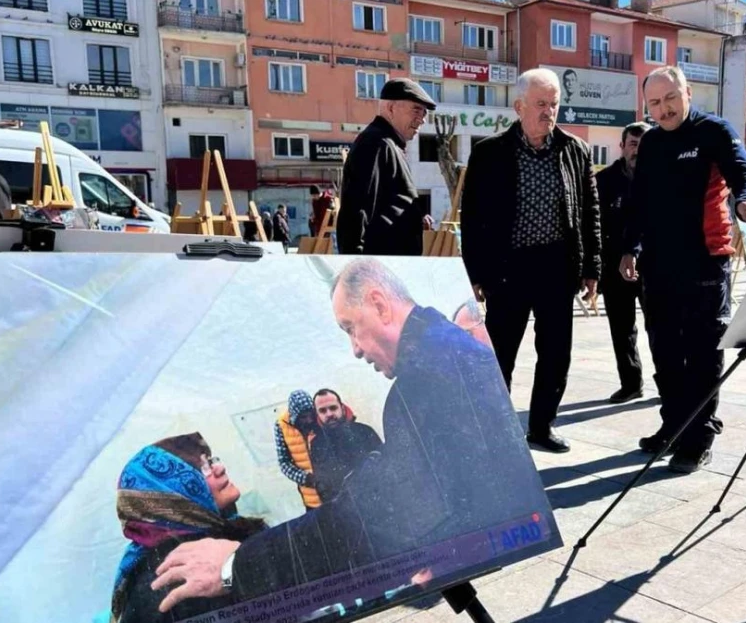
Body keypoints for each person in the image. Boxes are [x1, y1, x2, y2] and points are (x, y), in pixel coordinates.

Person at [151, 258, 548, 610]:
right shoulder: (448, 351)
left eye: (350, 329)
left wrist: (236, 567)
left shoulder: (422, 382)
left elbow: (373, 516)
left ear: (378, 304)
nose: (355, 349)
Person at [620, 66, 746, 473]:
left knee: (702, 355)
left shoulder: (713, 131)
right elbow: (639, 201)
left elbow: (743, 172)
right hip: (659, 267)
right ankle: (673, 426)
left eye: (670, 99)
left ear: (688, 92)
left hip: (705, 263)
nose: (663, 110)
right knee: (665, 354)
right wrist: (630, 247)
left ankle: (699, 437)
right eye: (654, 103)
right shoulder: (649, 144)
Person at [461, 68, 601, 454]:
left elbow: (590, 212)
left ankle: (541, 426)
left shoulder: (575, 150)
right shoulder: (489, 153)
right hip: (508, 269)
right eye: (541, 104)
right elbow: (471, 216)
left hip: (558, 266)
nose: (549, 112)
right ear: (519, 106)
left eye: (554, 104)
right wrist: (474, 271)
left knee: (556, 353)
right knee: (499, 354)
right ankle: (494, 431)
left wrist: (592, 268)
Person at [110, 433, 267, 622]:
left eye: (210, 460)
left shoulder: (229, 528)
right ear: (172, 495)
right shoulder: (177, 577)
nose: (220, 468)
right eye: (202, 469)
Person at [337, 78, 436, 255]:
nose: (422, 120)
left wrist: (413, 218)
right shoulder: (376, 143)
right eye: (417, 110)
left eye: (424, 113)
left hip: (388, 264)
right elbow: (356, 210)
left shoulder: (389, 144)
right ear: (391, 108)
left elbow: (388, 208)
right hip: (379, 266)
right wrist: (355, 265)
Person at [596, 122, 650, 404]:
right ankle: (630, 383)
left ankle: (670, 385)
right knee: (621, 328)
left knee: (661, 329)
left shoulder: (659, 180)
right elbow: (593, 225)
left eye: (643, 145)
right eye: (632, 144)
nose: (637, 151)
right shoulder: (604, 181)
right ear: (622, 146)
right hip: (614, 268)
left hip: (652, 266)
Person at [308, 388, 383, 502]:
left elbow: (386, 467)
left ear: (342, 408)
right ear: (317, 415)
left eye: (333, 408)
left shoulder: (365, 432)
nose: (329, 414)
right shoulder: (317, 445)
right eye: (323, 411)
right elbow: (322, 487)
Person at [274, 390, 322, 511]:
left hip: (334, 493)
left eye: (310, 415)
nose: (309, 420)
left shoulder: (319, 419)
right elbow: (284, 463)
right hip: (311, 498)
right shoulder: (281, 426)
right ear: (295, 415)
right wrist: (306, 478)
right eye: (303, 417)